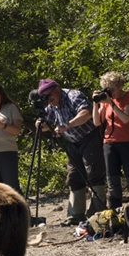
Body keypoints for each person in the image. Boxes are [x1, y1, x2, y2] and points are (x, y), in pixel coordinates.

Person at [36, 79, 106, 225]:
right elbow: (46, 125)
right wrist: (40, 124)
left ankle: (97, 213)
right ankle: (75, 215)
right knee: (74, 176)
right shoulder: (51, 105)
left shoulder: (73, 96)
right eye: (46, 98)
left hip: (90, 137)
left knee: (94, 173)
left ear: (56, 89)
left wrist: (66, 125)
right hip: (73, 142)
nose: (49, 100)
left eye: (50, 96)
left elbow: (86, 114)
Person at [90, 72, 129, 220]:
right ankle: (115, 217)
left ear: (120, 86)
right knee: (113, 184)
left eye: (112, 89)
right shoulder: (106, 101)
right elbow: (96, 122)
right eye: (107, 90)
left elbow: (125, 118)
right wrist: (96, 103)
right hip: (109, 144)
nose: (110, 93)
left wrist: (111, 103)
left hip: (128, 143)